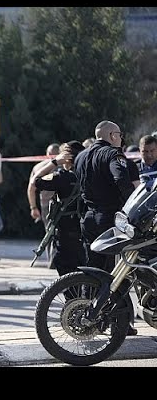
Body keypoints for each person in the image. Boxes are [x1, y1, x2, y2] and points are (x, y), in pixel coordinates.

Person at [74, 121, 137, 336]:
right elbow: (121, 179)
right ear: (112, 135)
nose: (121, 139)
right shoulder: (113, 154)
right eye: (119, 134)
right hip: (110, 218)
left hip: (88, 218)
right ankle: (117, 322)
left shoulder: (81, 156)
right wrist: (132, 208)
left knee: (92, 269)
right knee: (116, 271)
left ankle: (84, 315)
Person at [33, 141, 87, 276]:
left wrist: (54, 162)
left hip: (66, 236)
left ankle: (72, 298)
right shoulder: (89, 176)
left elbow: (36, 181)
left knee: (67, 276)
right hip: (85, 235)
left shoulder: (62, 177)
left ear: (66, 158)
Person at [27, 143, 60, 264]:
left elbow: (31, 188)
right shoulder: (62, 166)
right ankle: (53, 261)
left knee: (50, 232)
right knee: (54, 232)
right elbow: (31, 188)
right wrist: (33, 207)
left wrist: (33, 207)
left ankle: (53, 261)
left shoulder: (39, 168)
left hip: (49, 203)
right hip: (51, 204)